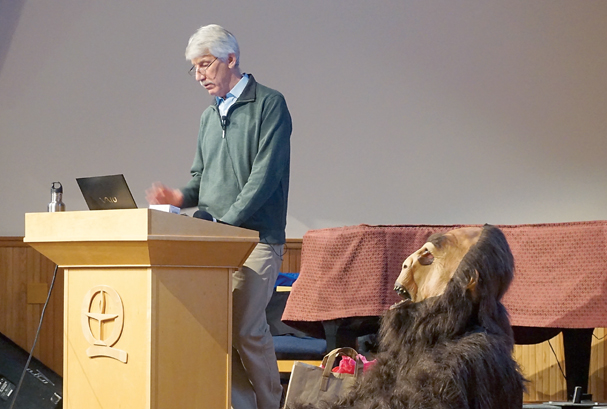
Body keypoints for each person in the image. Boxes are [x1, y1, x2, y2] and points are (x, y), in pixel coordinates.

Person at [146, 24, 291, 409]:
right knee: (216, 331)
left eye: (205, 65)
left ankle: (270, 403)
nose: (199, 76)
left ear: (231, 59)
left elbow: (264, 176)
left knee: (245, 328)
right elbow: (200, 178)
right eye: (194, 68)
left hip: (258, 239)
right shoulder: (208, 118)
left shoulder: (270, 105)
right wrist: (180, 196)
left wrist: (227, 225)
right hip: (214, 243)